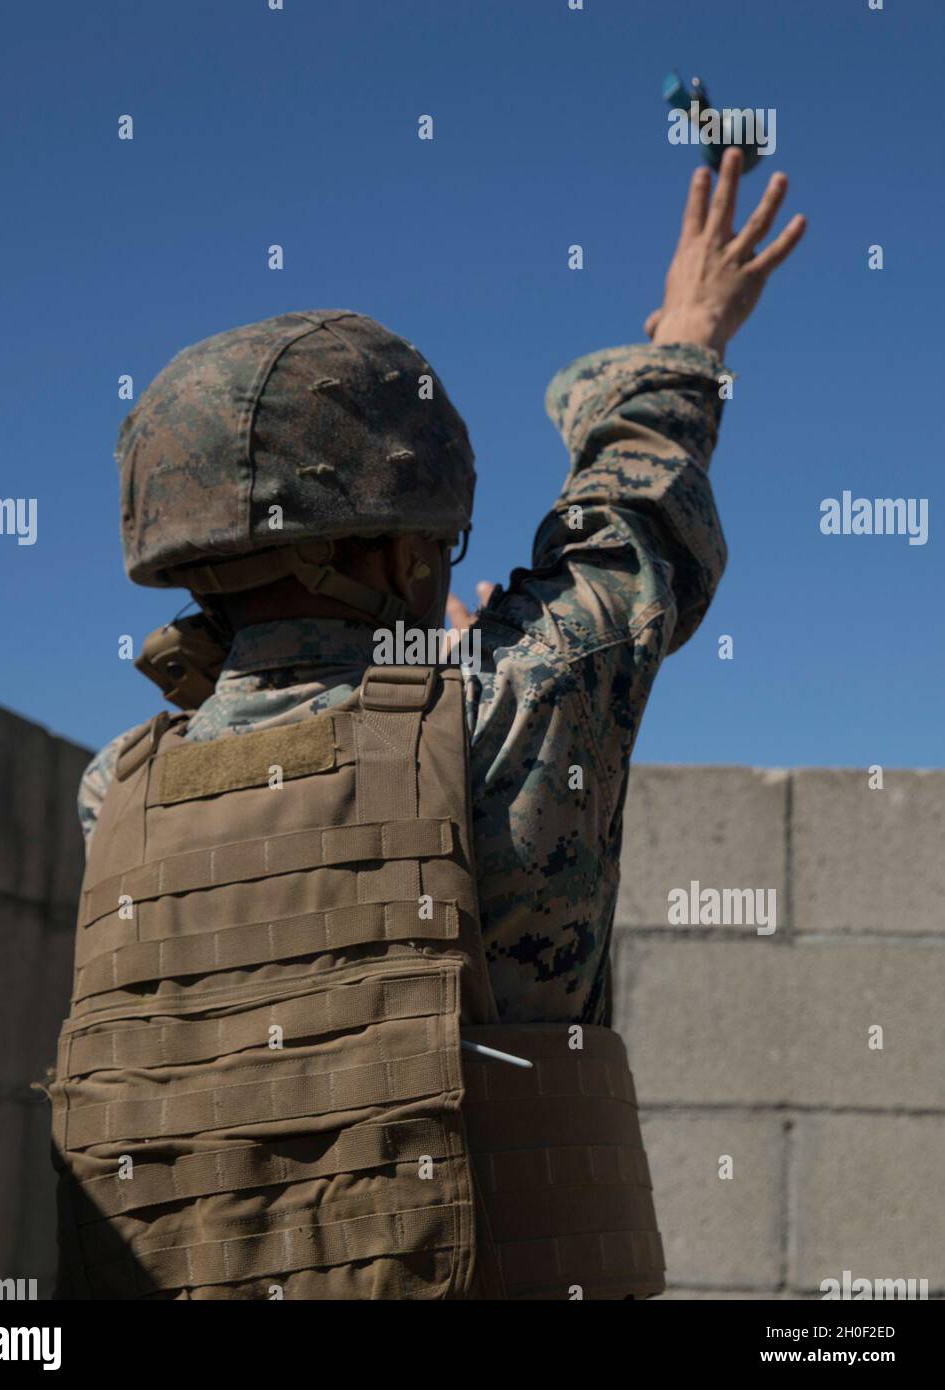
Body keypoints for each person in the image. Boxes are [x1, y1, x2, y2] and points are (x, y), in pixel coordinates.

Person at [50, 147, 805, 1300]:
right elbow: (635, 520)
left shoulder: (119, 791)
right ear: (408, 555)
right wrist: (693, 327)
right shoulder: (511, 710)